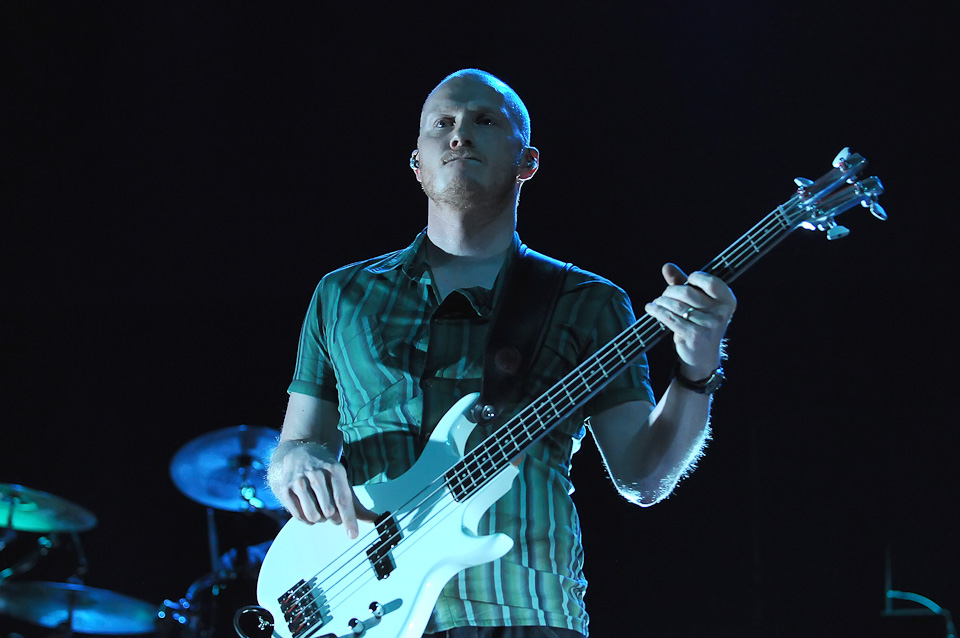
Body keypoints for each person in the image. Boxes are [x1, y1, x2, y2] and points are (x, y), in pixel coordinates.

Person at [267, 69, 737, 637]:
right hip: (363, 612)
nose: (459, 134)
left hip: (523, 611)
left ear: (526, 162)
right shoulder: (343, 295)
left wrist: (696, 369)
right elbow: (298, 443)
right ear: (417, 163)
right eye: (442, 124)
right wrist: (295, 463)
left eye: (484, 120)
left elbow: (642, 477)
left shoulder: (586, 302)